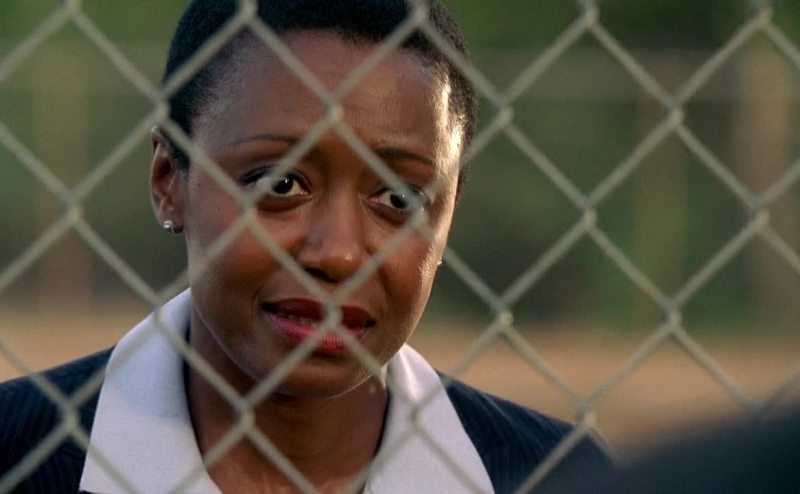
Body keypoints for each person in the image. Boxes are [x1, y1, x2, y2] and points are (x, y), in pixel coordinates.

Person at [0, 1, 612, 492]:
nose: (339, 254)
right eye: (280, 184)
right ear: (169, 181)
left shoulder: (557, 477)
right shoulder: (18, 454)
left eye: (398, 198)